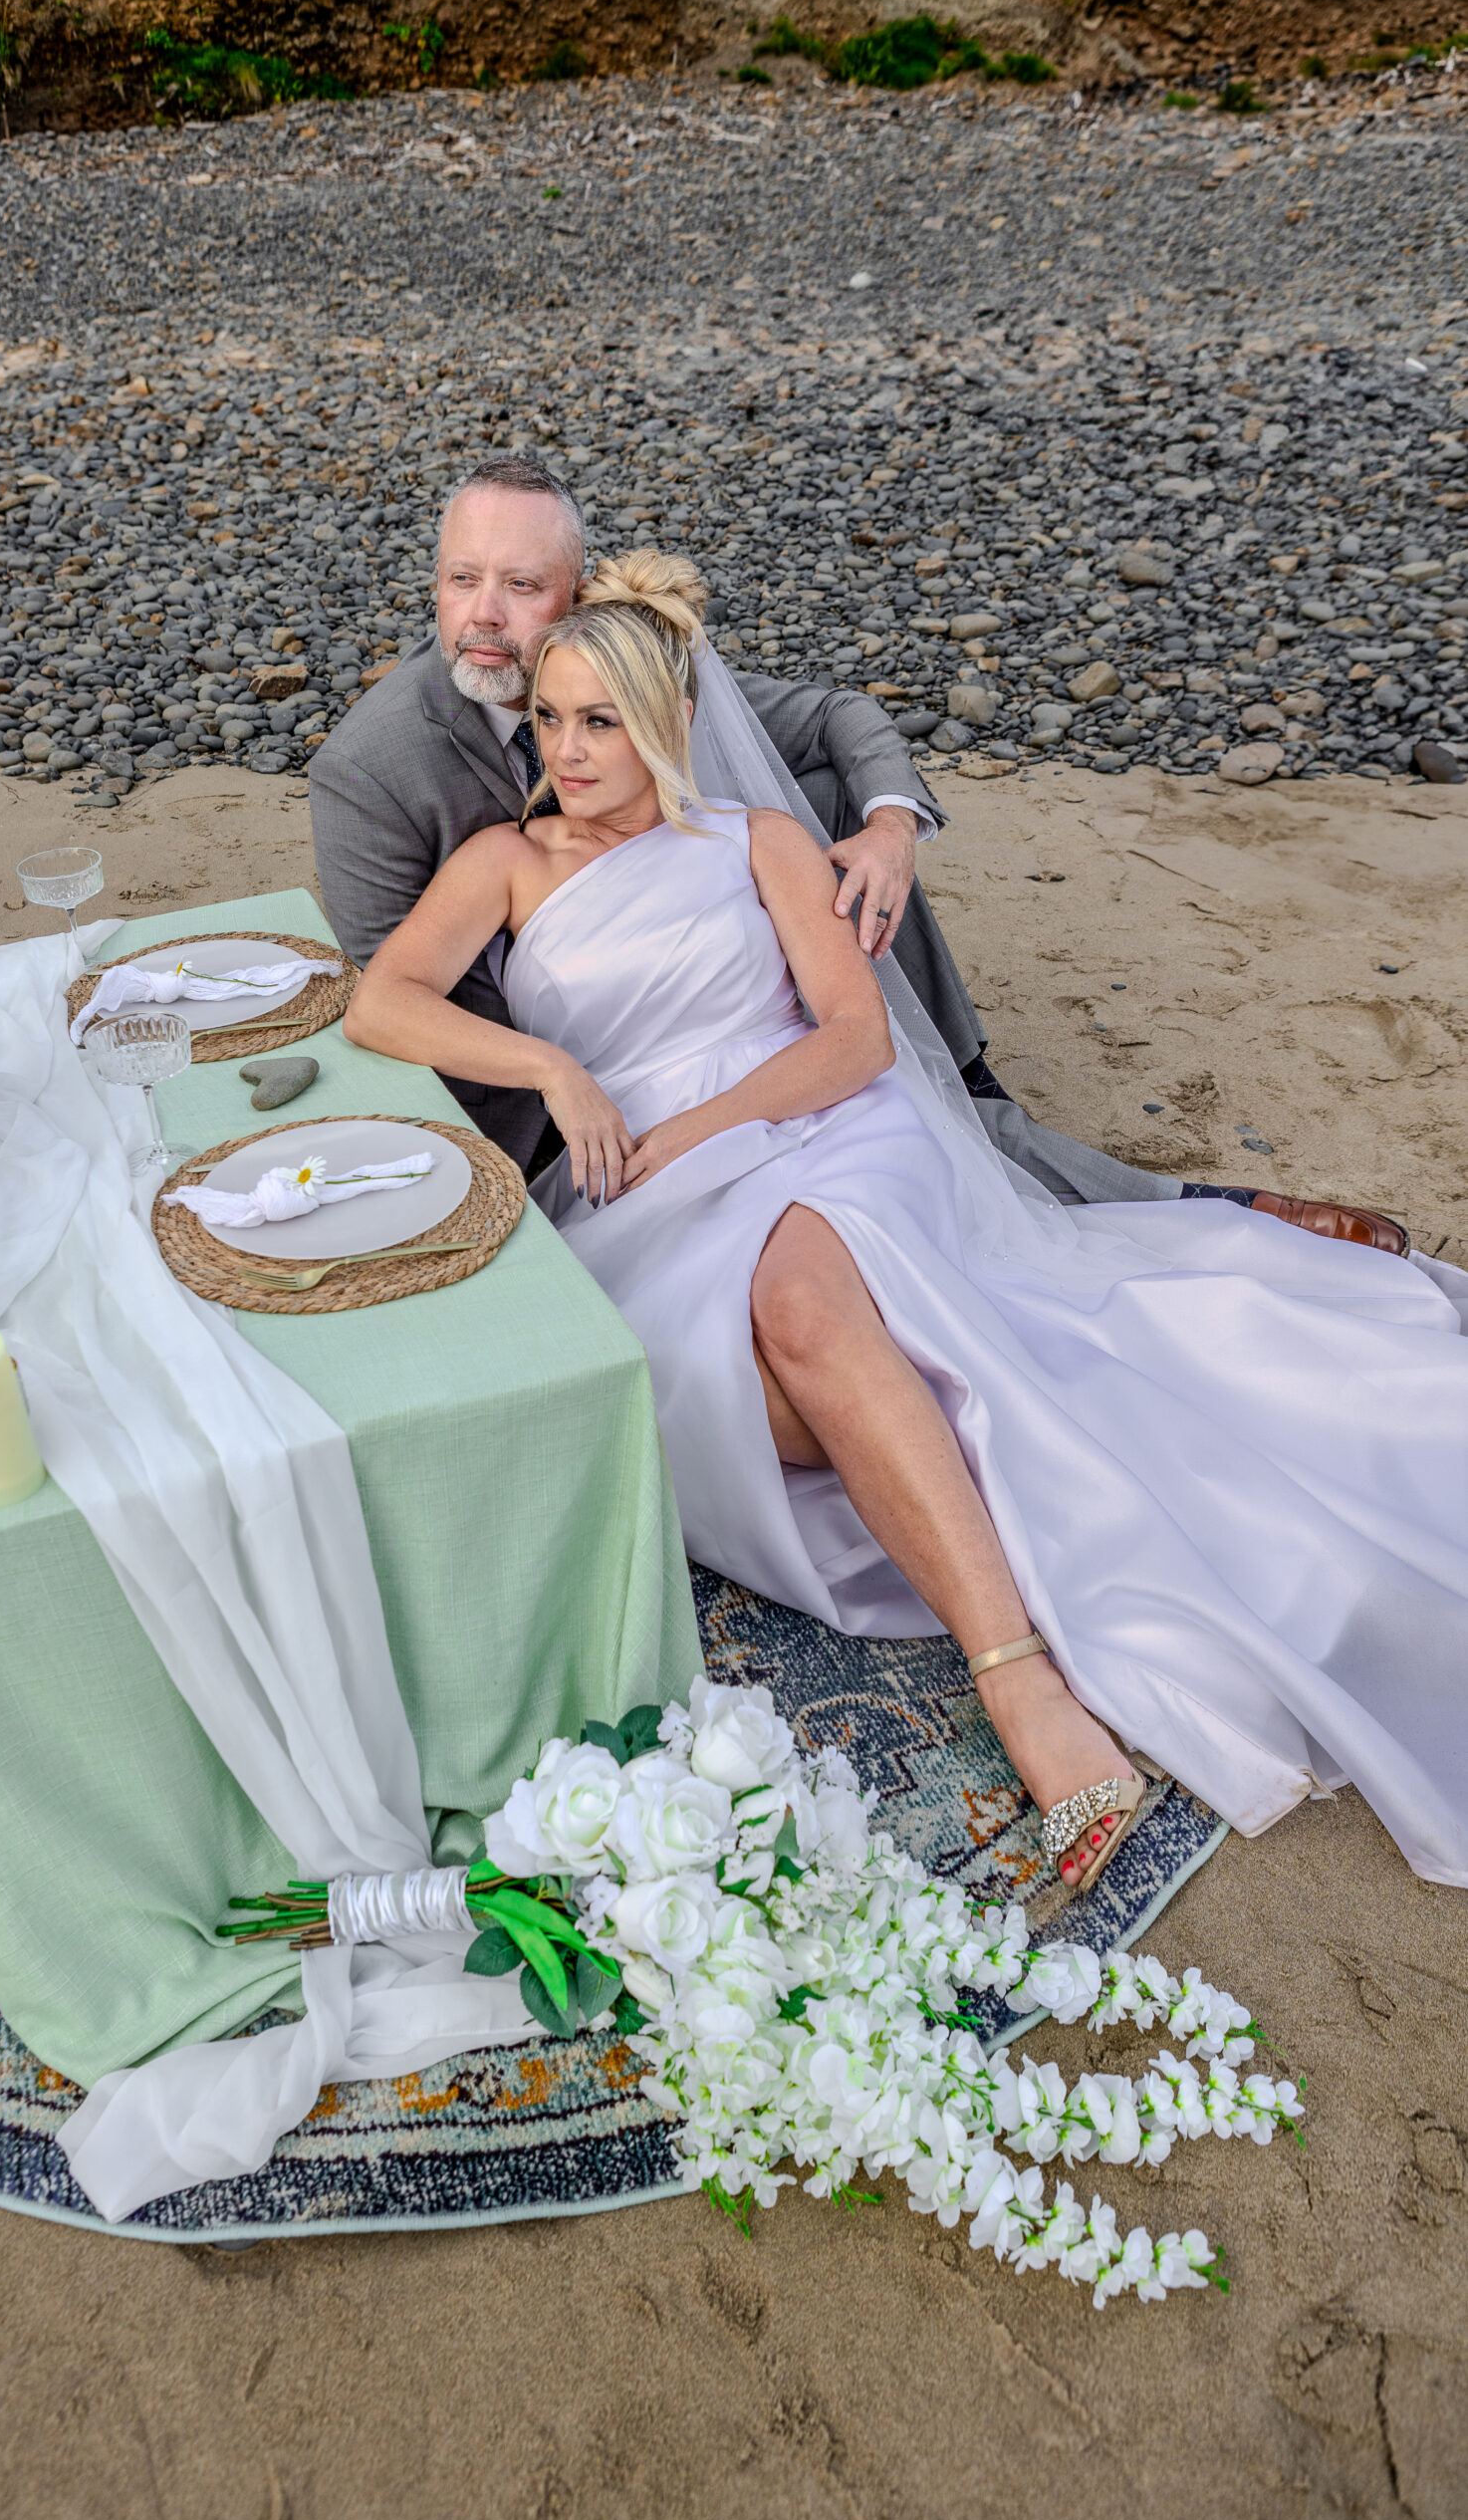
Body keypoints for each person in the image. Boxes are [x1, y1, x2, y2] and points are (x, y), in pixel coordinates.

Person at [344, 555, 1468, 1895]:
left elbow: (853, 1039)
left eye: (600, 720)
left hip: (818, 1133)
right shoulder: (505, 861)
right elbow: (381, 1003)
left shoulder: (749, 843)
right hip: (629, 1189)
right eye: (549, 720)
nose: (569, 751)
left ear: (663, 723)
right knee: (777, 1399)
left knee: (805, 1308)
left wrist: (699, 1135)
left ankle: (1019, 1686)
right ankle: (979, 1455)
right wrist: (557, 1074)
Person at [312, 459, 1399, 1244]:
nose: (485, 620)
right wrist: (603, 1057)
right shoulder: (373, 769)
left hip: (743, 1024)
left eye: (520, 585)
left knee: (826, 819)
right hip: (562, 1096)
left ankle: (1062, 1137)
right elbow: (410, 997)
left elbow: (837, 716)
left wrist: (889, 828)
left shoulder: (628, 665)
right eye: (461, 580)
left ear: (580, 591)